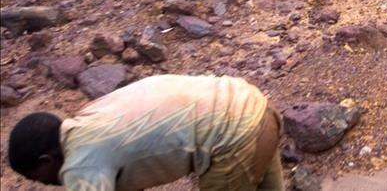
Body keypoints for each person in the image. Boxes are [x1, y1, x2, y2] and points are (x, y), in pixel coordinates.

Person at [6, 74, 282, 191]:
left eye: (37, 178)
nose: (43, 184)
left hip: (235, 136)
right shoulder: (91, 117)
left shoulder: (80, 164)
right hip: (253, 103)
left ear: (46, 160)